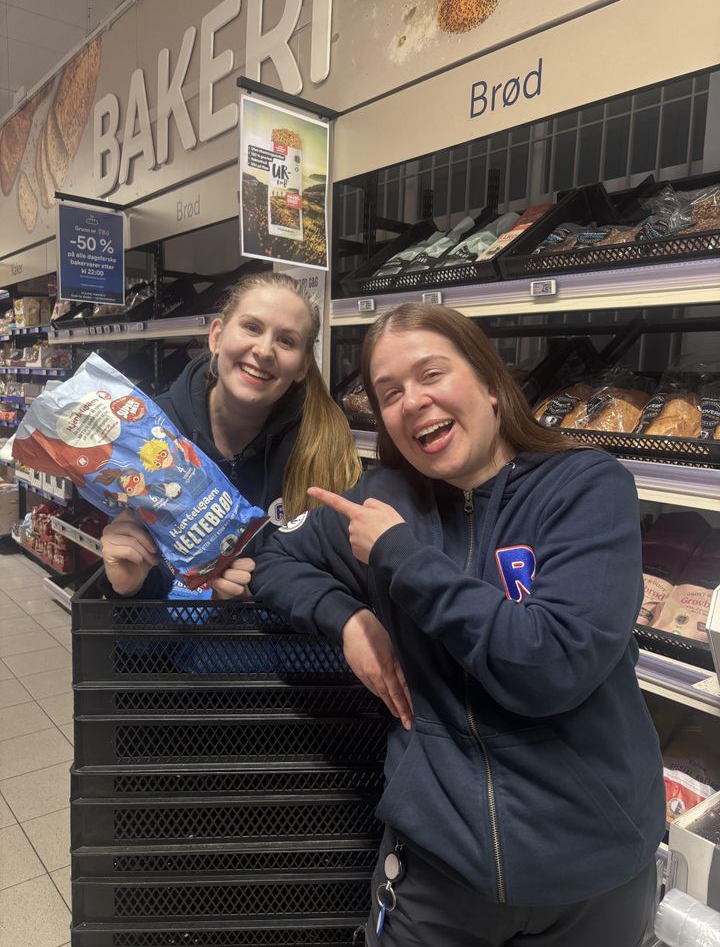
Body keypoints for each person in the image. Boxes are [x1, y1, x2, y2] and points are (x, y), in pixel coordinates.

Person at [251, 303, 666, 947]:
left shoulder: (584, 487)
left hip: (591, 874)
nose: (412, 401)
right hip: (440, 872)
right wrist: (350, 619)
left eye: (431, 374)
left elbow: (552, 666)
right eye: (389, 393)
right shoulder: (381, 501)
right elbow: (273, 557)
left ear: (492, 385)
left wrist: (399, 560)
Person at [100, 271, 362, 599]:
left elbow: (338, 593)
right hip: (182, 646)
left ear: (302, 367)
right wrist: (129, 587)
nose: (265, 350)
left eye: (286, 341)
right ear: (217, 337)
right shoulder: (155, 435)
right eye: (252, 327)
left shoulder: (323, 446)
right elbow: (139, 646)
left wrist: (261, 593)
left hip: (279, 645)